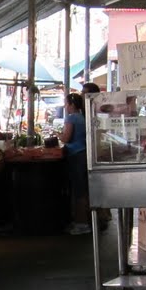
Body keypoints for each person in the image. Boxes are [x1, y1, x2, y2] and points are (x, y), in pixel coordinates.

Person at [60, 93, 90, 235]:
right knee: (81, 189)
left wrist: (58, 135)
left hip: (76, 155)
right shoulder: (81, 117)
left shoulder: (71, 117)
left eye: (66, 103)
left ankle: (82, 224)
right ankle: (81, 221)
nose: (65, 106)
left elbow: (66, 138)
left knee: (79, 191)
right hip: (82, 153)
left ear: (71, 105)